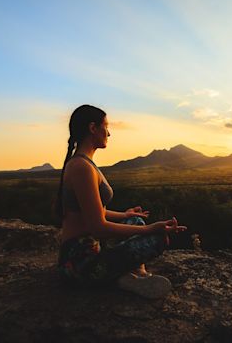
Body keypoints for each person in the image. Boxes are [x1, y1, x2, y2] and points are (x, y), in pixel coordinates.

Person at [55, 104, 186, 299]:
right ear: (93, 128)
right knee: (156, 239)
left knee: (135, 221)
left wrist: (126, 215)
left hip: (90, 253)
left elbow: (94, 211)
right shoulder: (82, 167)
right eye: (106, 126)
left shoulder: (82, 163)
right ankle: (127, 276)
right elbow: (98, 227)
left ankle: (132, 276)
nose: (109, 133)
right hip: (80, 265)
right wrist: (151, 230)